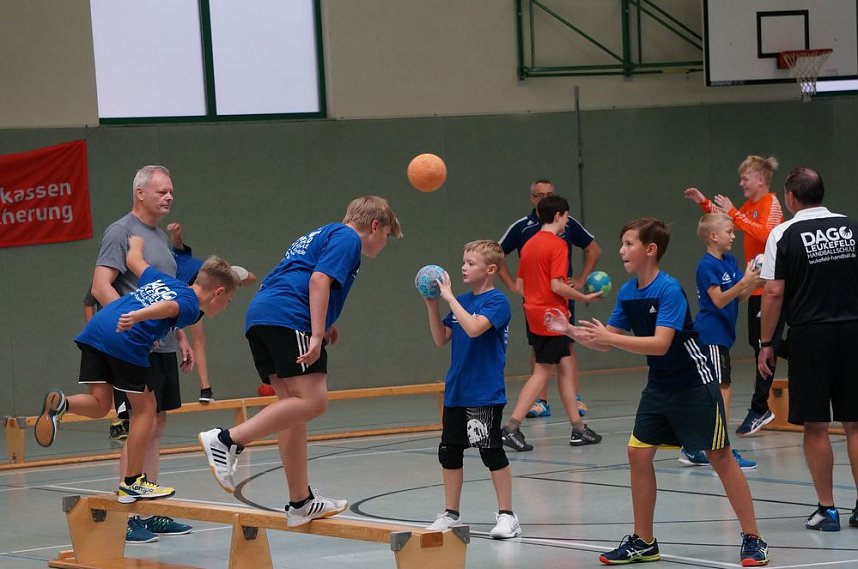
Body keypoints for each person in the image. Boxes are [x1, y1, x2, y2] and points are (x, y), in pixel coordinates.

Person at [545, 218, 769, 566]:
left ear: (650, 249)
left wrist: (610, 338)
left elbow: (661, 344)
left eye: (628, 243)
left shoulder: (669, 289)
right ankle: (644, 541)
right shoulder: (627, 292)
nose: (621, 250)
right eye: (621, 244)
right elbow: (608, 341)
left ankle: (753, 539)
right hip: (660, 386)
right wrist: (570, 330)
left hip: (694, 382)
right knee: (638, 454)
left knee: (719, 457)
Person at [198, 196, 403, 527]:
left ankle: (300, 502)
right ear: (375, 225)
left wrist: (326, 322)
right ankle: (226, 440)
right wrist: (317, 333)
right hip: (288, 316)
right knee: (314, 401)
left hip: (263, 315)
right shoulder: (349, 237)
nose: (384, 243)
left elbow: (291, 277)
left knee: (293, 411)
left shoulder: (319, 234)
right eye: (386, 235)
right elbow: (318, 280)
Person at [34, 236, 237, 504]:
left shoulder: (166, 280)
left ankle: (62, 404)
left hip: (95, 331)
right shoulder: (190, 307)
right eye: (230, 300)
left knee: (99, 404)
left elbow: (135, 262)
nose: (226, 306)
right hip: (125, 338)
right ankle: (132, 482)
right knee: (146, 410)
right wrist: (138, 317)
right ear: (218, 292)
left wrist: (136, 242)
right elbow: (168, 307)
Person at [90, 165, 195, 543]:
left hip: (162, 342)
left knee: (157, 425)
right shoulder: (121, 232)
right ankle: (127, 515)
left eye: (171, 191)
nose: (169, 197)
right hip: (135, 344)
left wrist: (180, 335)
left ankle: (149, 511)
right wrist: (131, 324)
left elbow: (163, 292)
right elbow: (101, 286)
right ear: (140, 193)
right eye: (162, 191)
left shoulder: (159, 240)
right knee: (140, 423)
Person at [758, 167, 858, 532]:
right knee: (855, 423)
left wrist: (766, 343)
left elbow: (773, 292)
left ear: (790, 197)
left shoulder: (783, 233)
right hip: (853, 331)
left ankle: (827, 510)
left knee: (815, 425)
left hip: (810, 336)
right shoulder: (852, 227)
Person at [422, 240, 520, 539]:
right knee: (449, 453)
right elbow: (441, 338)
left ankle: (507, 516)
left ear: (490, 269)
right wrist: (433, 304)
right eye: (463, 261)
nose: (463, 267)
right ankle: (450, 514)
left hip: (484, 392)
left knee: (491, 452)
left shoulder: (497, 302)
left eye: (471, 263)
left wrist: (451, 298)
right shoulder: (460, 300)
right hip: (457, 390)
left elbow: (475, 329)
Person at [684, 156, 784, 436]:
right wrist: (704, 203)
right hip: (753, 285)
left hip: (770, 286)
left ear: (761, 179)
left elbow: (769, 235)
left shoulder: (771, 204)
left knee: (766, 344)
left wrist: (736, 216)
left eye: (745, 178)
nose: (741, 183)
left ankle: (757, 408)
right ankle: (741, 419)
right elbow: (725, 223)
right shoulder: (749, 208)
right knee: (759, 343)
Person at [500, 195, 603, 452]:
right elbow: (558, 285)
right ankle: (511, 428)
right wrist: (584, 296)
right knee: (543, 373)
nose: (567, 222)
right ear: (558, 215)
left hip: (535, 314)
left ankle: (578, 429)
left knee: (566, 368)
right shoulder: (557, 245)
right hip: (553, 318)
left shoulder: (530, 244)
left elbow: (521, 286)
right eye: (566, 217)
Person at [679, 213, 760, 470]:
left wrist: (753, 280)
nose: (733, 236)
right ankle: (721, 447)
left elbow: (737, 297)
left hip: (723, 335)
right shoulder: (706, 266)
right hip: (710, 335)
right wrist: (743, 283)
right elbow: (719, 300)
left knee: (711, 393)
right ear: (713, 236)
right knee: (722, 389)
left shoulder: (731, 261)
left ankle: (693, 447)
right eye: (730, 231)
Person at [167, 222, 257, 403]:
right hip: (193, 293)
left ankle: (205, 390)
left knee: (199, 339)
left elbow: (178, 245)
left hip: (205, 286)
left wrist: (177, 234)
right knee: (197, 337)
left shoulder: (186, 261)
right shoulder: (174, 283)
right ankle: (206, 390)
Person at [85, 290, 130, 441]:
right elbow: (88, 303)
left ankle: (125, 419)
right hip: (105, 336)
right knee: (107, 382)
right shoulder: (102, 281)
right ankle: (116, 423)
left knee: (125, 380)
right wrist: (92, 329)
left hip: (128, 337)